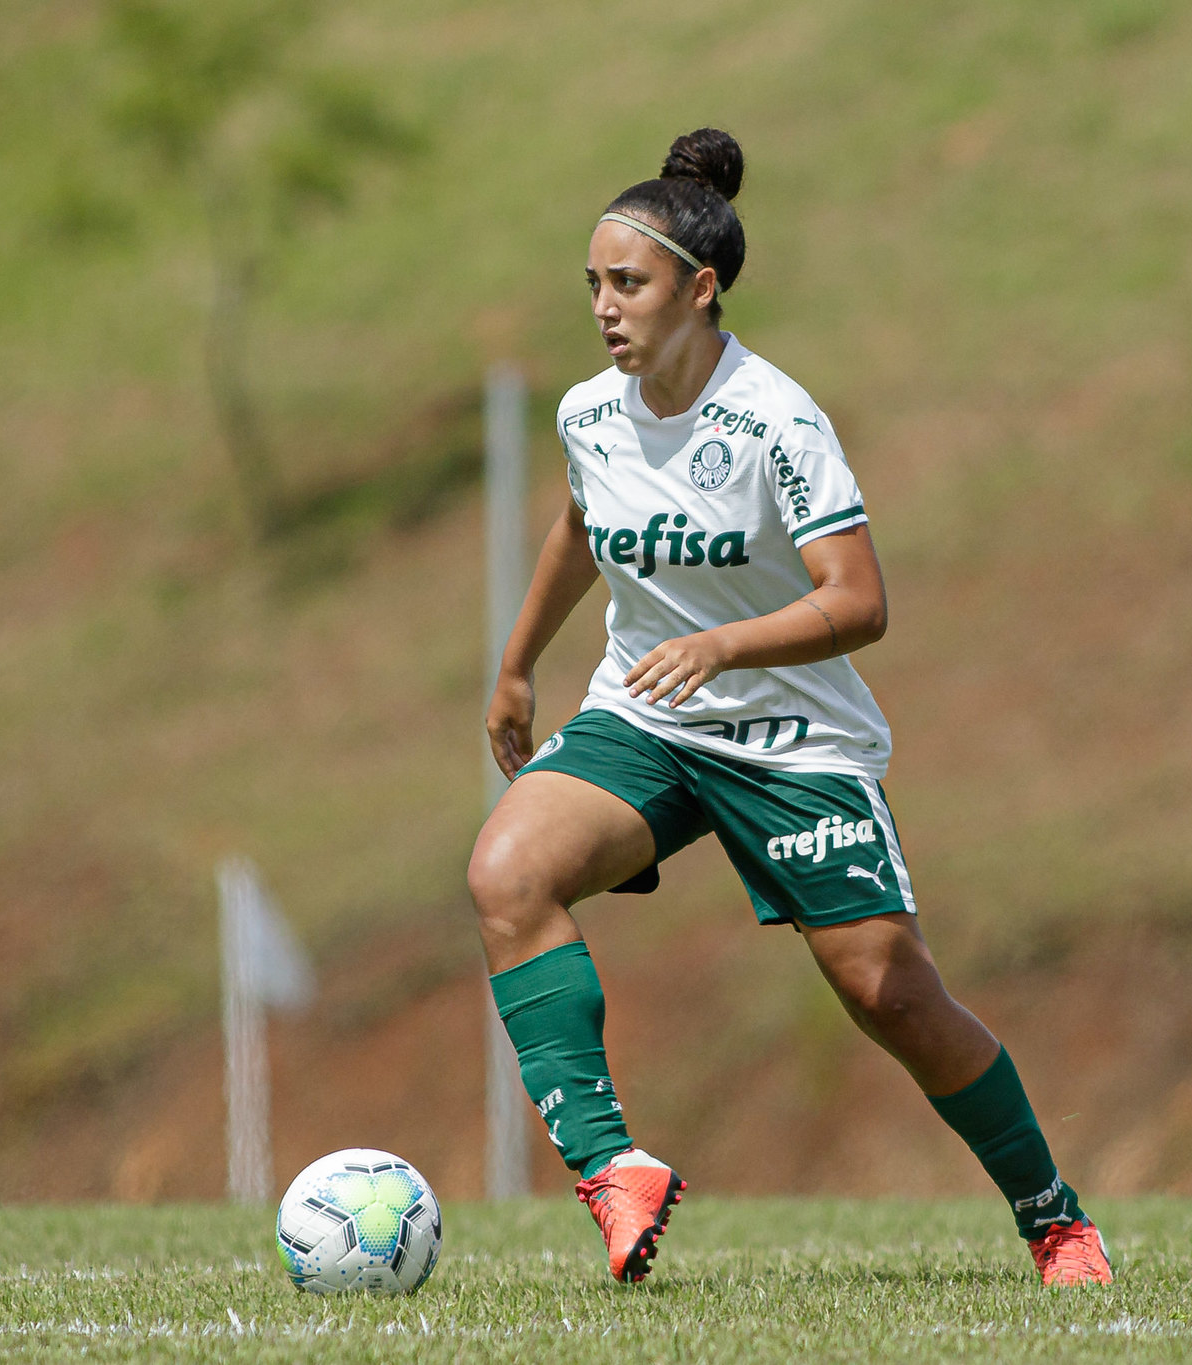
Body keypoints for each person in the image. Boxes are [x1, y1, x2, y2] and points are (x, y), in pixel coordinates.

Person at [467, 128, 1112, 1289]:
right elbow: (581, 524)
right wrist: (516, 665)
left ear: (699, 290)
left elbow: (858, 603)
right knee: (506, 877)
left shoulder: (775, 420)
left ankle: (1052, 1217)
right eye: (593, 286)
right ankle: (614, 1170)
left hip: (791, 739)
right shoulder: (589, 413)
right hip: (649, 720)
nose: (604, 308)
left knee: (888, 991)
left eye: (628, 283)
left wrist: (719, 645)